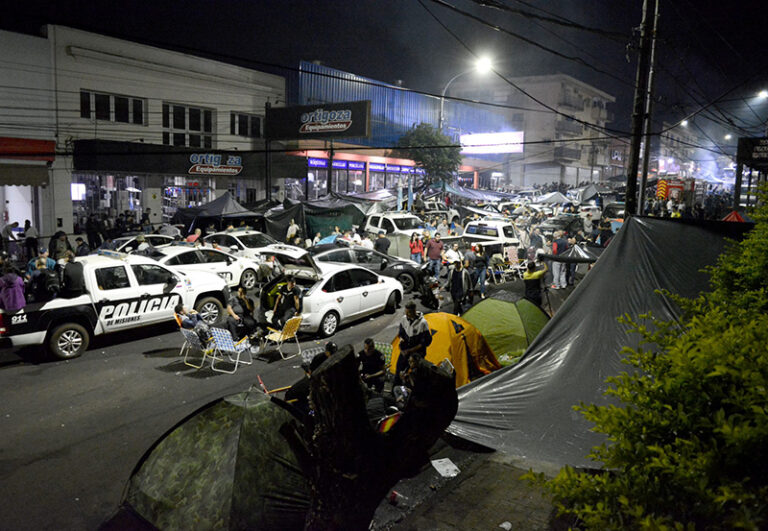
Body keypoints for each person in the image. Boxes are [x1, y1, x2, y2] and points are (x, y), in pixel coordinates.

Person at [395, 301, 431, 386]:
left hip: (417, 354)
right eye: (406, 312)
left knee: (414, 375)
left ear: (414, 311)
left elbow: (426, 342)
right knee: (399, 370)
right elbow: (401, 333)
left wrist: (410, 351)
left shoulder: (422, 323)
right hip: (405, 351)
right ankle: (396, 389)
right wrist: (401, 339)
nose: (407, 315)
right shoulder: (404, 319)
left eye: (409, 313)